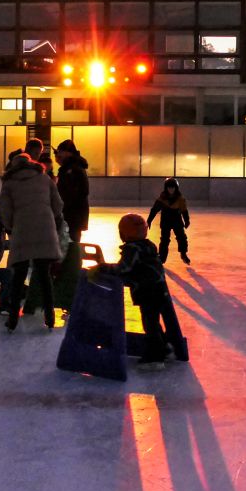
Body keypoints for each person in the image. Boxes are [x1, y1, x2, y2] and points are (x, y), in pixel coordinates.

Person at [103, 213, 187, 366]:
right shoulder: (148, 246)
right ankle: (165, 348)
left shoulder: (132, 249)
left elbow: (124, 268)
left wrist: (104, 268)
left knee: (150, 323)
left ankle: (156, 357)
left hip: (148, 292)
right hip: (159, 289)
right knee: (153, 322)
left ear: (124, 233)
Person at [0, 139, 63, 331]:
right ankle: (49, 315)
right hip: (45, 228)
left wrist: (11, 228)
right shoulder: (44, 178)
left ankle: (13, 319)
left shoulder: (9, 182)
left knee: (18, 275)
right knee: (44, 274)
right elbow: (58, 205)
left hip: (22, 230)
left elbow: (5, 212)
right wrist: (51, 217)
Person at [147, 177, 191, 264]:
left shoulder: (180, 199)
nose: (171, 189)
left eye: (173, 187)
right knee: (164, 240)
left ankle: (183, 254)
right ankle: (162, 257)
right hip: (165, 221)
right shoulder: (162, 198)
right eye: (169, 187)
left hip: (177, 220)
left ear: (176, 188)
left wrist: (187, 220)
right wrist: (149, 220)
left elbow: (184, 210)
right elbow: (154, 209)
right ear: (166, 188)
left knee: (181, 237)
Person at [55, 139, 90, 244]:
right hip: (73, 215)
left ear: (67, 153)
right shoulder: (70, 167)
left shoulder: (72, 169)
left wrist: (61, 206)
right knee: (70, 244)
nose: (57, 157)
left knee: (70, 245)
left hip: (72, 216)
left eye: (59, 153)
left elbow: (72, 193)